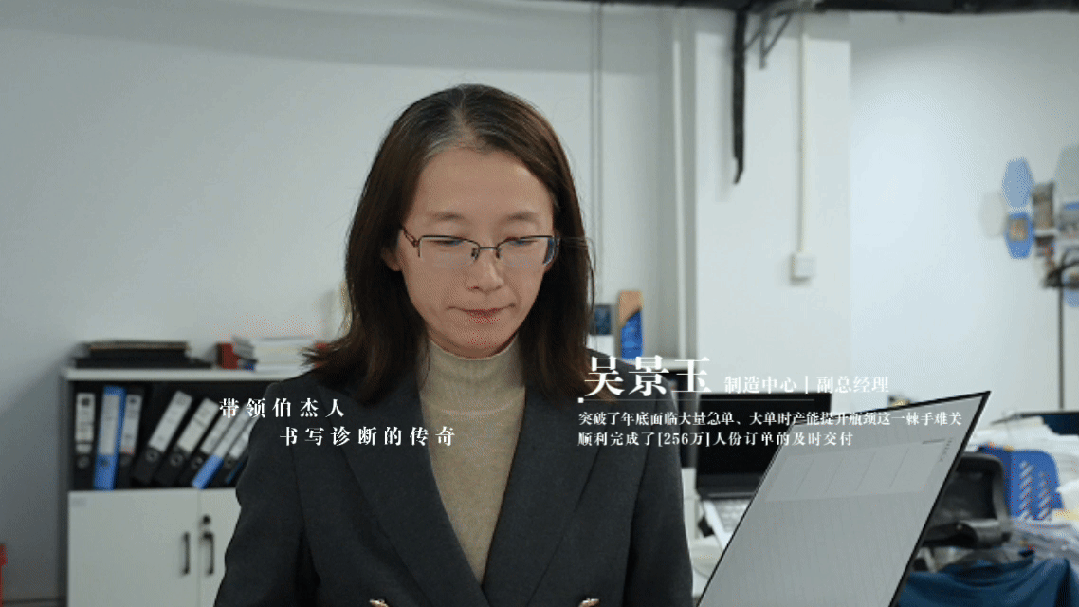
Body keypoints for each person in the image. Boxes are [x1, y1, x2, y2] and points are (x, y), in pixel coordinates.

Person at [214, 83, 692, 607]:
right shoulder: (305, 422)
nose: (486, 277)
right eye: (448, 240)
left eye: (520, 240)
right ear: (389, 245)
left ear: (556, 247)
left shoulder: (635, 409)